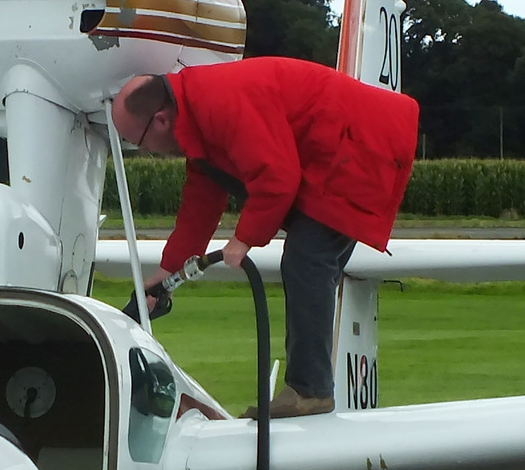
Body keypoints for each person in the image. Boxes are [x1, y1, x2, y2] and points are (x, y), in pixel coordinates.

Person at [109, 57, 419, 418]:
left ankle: (310, 391)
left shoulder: (220, 103)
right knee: (308, 258)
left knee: (307, 260)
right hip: (341, 146)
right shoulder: (198, 112)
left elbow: (276, 178)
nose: (147, 152)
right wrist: (169, 271)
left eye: (141, 143)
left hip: (361, 146)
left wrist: (243, 240)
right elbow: (203, 196)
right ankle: (310, 388)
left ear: (160, 120)